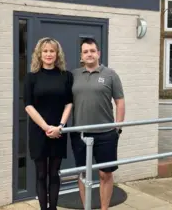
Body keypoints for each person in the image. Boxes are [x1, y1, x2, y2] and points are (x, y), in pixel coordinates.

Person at [70, 37, 125, 210]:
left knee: (105, 174)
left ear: (98, 53)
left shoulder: (110, 74)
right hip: (80, 134)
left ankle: (104, 208)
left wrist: (118, 127)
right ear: (81, 56)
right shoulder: (74, 75)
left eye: (92, 51)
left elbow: (120, 101)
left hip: (106, 133)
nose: (89, 54)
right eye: (86, 52)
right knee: (83, 173)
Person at [24, 37, 74, 210]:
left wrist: (60, 126)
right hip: (39, 132)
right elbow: (28, 106)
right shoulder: (31, 78)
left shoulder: (66, 76)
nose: (48, 54)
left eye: (52, 51)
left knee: (54, 174)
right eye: (45, 51)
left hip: (58, 130)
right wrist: (46, 127)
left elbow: (69, 103)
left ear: (57, 53)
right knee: (41, 174)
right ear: (39, 54)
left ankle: (53, 208)